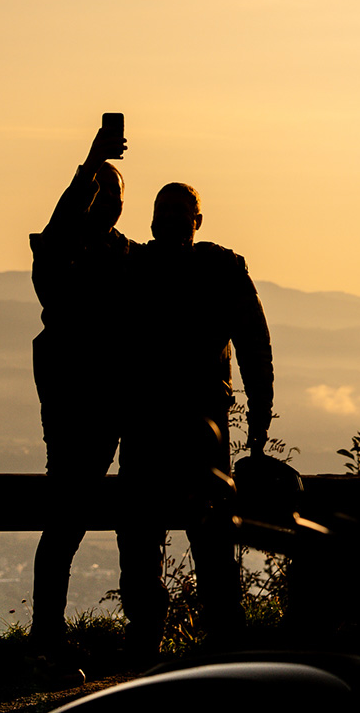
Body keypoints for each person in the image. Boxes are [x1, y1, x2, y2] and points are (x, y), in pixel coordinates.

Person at [114, 182, 275, 653]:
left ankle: (154, 635)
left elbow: (254, 346)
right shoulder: (218, 268)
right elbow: (255, 347)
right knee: (199, 534)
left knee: (147, 533)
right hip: (194, 425)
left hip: (153, 422)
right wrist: (259, 422)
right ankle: (220, 636)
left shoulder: (135, 266)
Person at [27, 122, 131, 651]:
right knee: (69, 510)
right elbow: (64, 225)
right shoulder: (59, 252)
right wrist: (91, 164)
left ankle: (54, 632)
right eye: (98, 191)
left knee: (89, 511)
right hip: (76, 396)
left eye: (112, 192)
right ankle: (47, 631)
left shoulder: (129, 256)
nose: (105, 201)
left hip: (120, 396)